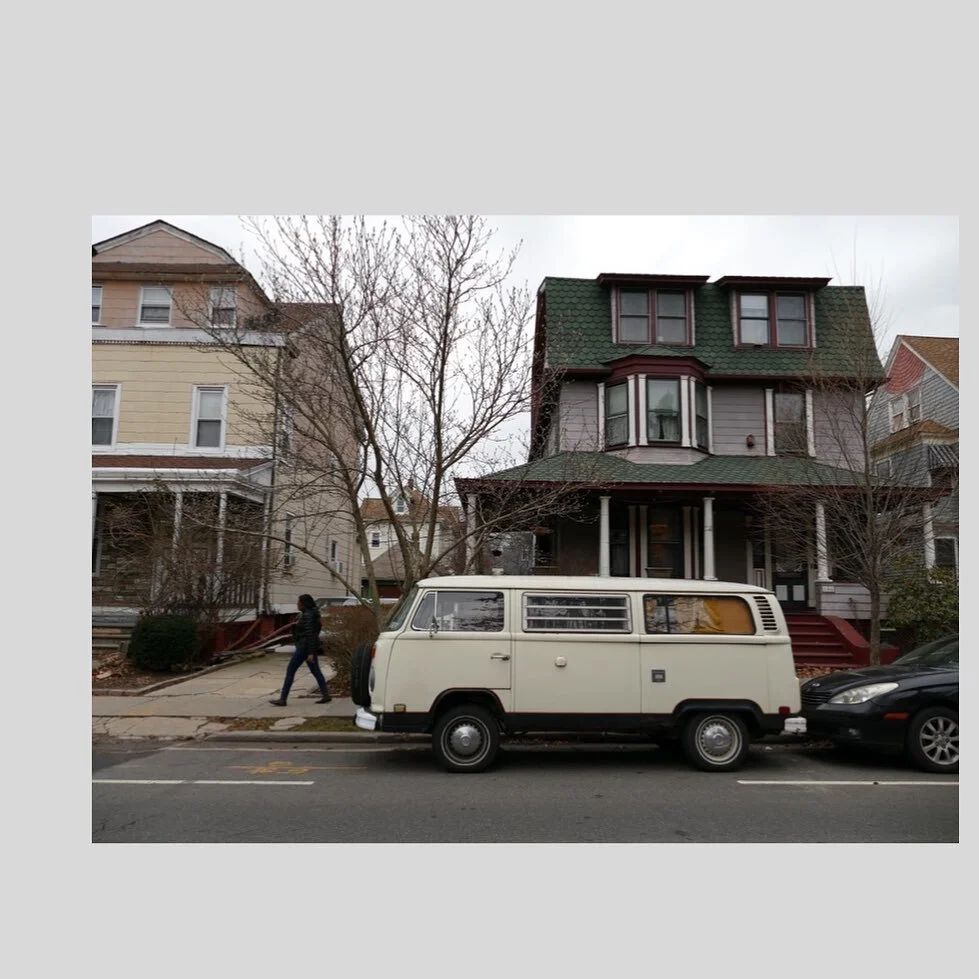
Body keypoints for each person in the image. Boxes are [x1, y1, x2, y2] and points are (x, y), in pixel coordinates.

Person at [269, 594, 332, 706]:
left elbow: (310, 635)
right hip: (306, 648)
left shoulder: (308, 616)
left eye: (299, 602)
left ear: (304, 604)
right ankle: (326, 695)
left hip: (304, 648)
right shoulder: (310, 614)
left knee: (290, 671)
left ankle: (283, 699)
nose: (297, 604)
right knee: (316, 671)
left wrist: (311, 653)